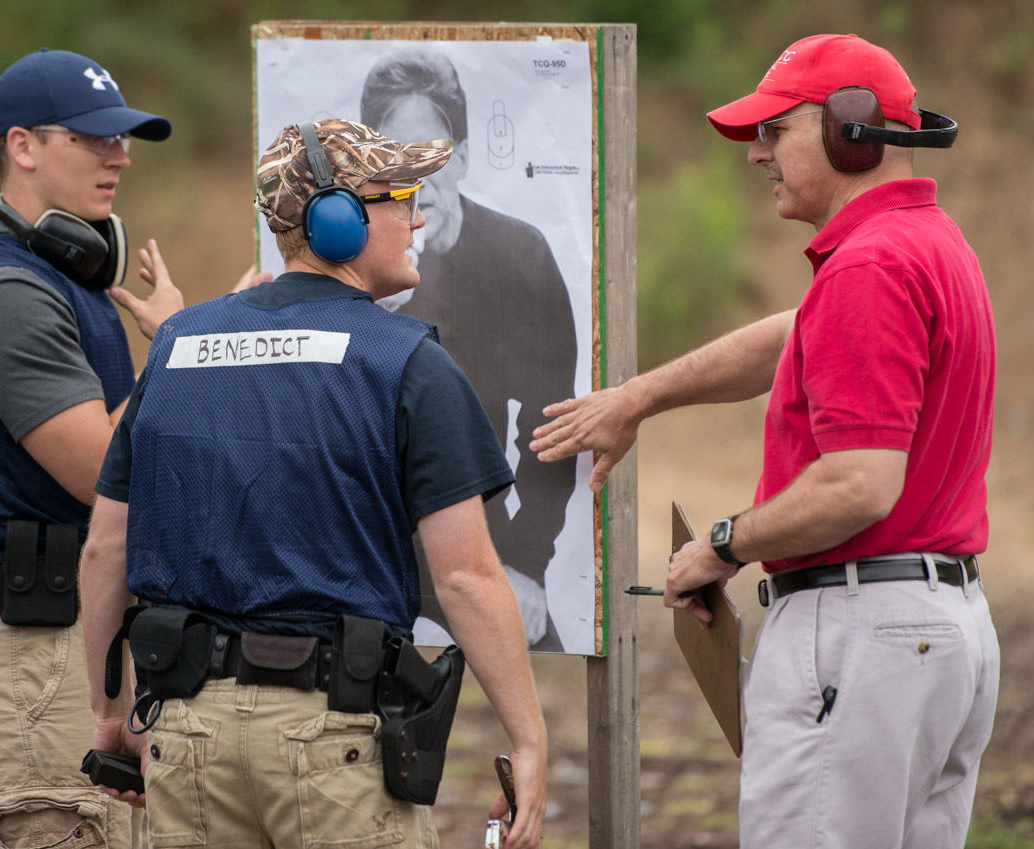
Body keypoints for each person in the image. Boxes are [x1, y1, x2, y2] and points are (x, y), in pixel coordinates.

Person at [530, 33, 999, 848]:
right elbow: (796, 333)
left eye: (776, 131)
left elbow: (859, 484)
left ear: (851, 129)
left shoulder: (869, 269)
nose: (758, 154)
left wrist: (723, 543)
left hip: (861, 634)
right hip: (935, 632)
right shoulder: (925, 246)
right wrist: (640, 396)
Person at [79, 118, 548, 848]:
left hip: (185, 734)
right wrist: (529, 739)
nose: (417, 215)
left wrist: (110, 716)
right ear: (339, 220)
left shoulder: (173, 348)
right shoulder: (406, 361)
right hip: (333, 739)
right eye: (399, 196)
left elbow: (105, 549)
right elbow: (467, 578)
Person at [0, 47, 190, 849]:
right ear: (25, 145)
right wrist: (178, 348)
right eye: (95, 138)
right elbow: (101, 469)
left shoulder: (59, 279)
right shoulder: (5, 296)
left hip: (64, 637)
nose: (121, 156)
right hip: (33, 653)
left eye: (123, 140)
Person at [360, 47, 577, 650]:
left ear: (463, 158)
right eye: (396, 158)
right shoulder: (341, 261)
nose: (417, 174)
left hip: (477, 530)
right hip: (362, 537)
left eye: (433, 153)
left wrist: (529, 565)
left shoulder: (518, 255)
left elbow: (550, 426)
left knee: (538, 656)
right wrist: (367, 316)